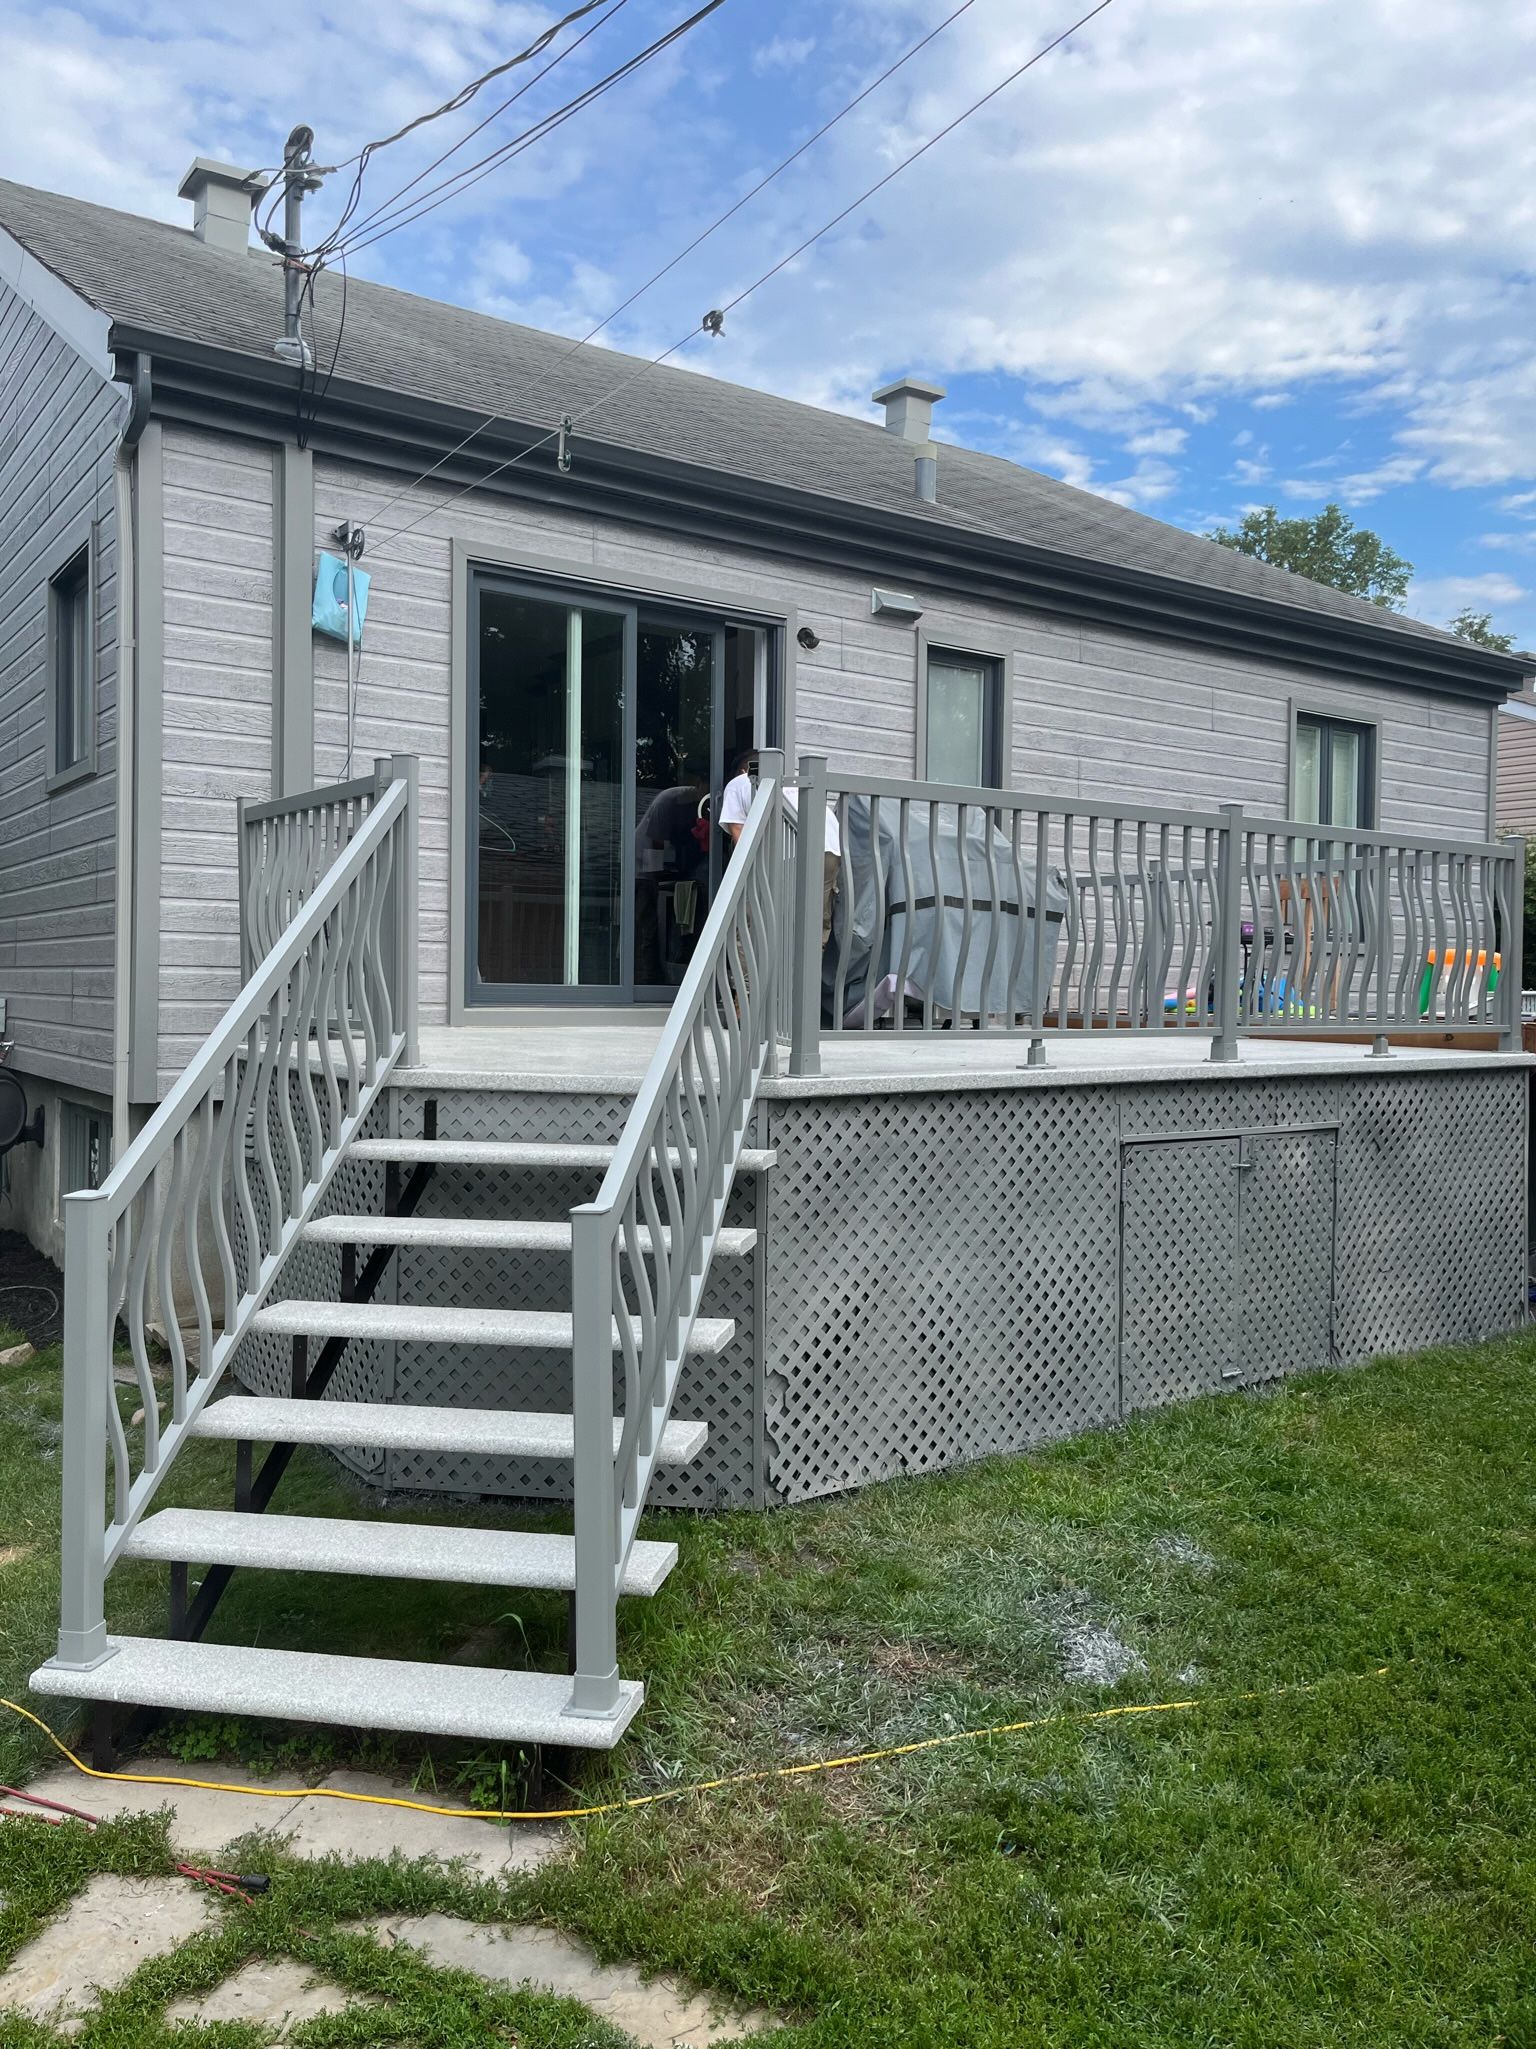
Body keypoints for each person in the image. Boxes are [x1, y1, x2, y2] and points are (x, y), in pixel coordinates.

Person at [719, 755, 841, 949]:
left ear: (744, 771)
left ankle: (749, 969)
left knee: (752, 920)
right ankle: (808, 967)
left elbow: (739, 833)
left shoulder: (737, 783)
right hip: (830, 848)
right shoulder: (791, 782)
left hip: (789, 850)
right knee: (812, 919)